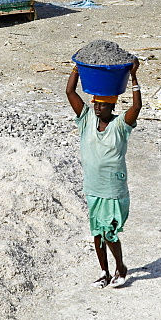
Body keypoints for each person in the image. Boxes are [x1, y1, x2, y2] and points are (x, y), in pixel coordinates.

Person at [66, 57, 141, 289]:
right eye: (96, 104)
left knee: (109, 232)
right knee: (97, 233)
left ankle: (120, 267)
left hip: (113, 188)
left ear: (112, 106)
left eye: (103, 105)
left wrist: (134, 76)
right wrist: (76, 70)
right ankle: (104, 272)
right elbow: (70, 92)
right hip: (93, 187)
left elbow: (136, 107)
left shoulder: (120, 126)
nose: (98, 108)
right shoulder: (86, 119)